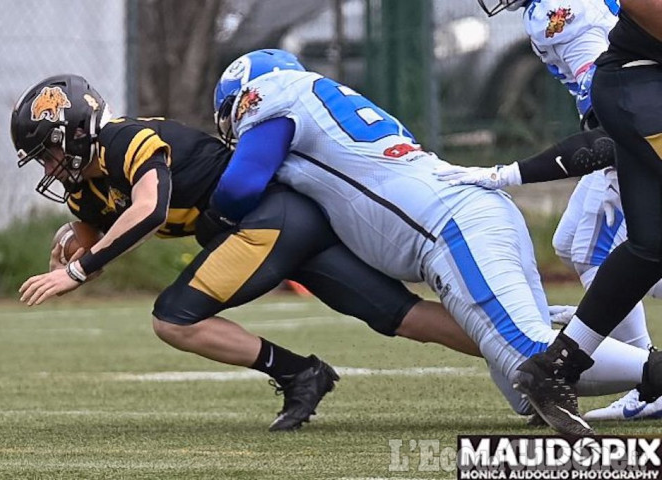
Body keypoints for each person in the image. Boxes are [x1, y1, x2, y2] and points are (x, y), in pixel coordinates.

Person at [206, 48, 662, 435]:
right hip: (463, 218)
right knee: (525, 396)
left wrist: (210, 209)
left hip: (451, 226)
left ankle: (654, 373)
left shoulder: (274, 94)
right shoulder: (318, 105)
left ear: (243, 96)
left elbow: (240, 186)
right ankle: (583, 341)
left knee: (534, 361)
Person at [10, 74, 484, 432]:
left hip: (269, 220)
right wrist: (76, 249)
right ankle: (534, 362)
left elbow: (150, 209)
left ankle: (301, 374)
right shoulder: (84, 192)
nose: (48, 167)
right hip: (271, 227)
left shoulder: (126, 140)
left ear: (74, 133)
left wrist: (78, 268)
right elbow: (101, 238)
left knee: (173, 319)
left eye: (47, 153)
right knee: (401, 316)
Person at [437, 0, 662, 422]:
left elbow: (609, 98)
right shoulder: (553, 11)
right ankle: (641, 374)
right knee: (598, 244)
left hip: (625, 125)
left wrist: (510, 174)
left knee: (605, 248)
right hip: (628, 123)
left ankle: (623, 371)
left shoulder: (560, 12)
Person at [511, 0, 662, 435]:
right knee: (598, 245)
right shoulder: (560, 11)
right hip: (641, 89)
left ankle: (557, 367)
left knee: (649, 247)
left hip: (636, 90)